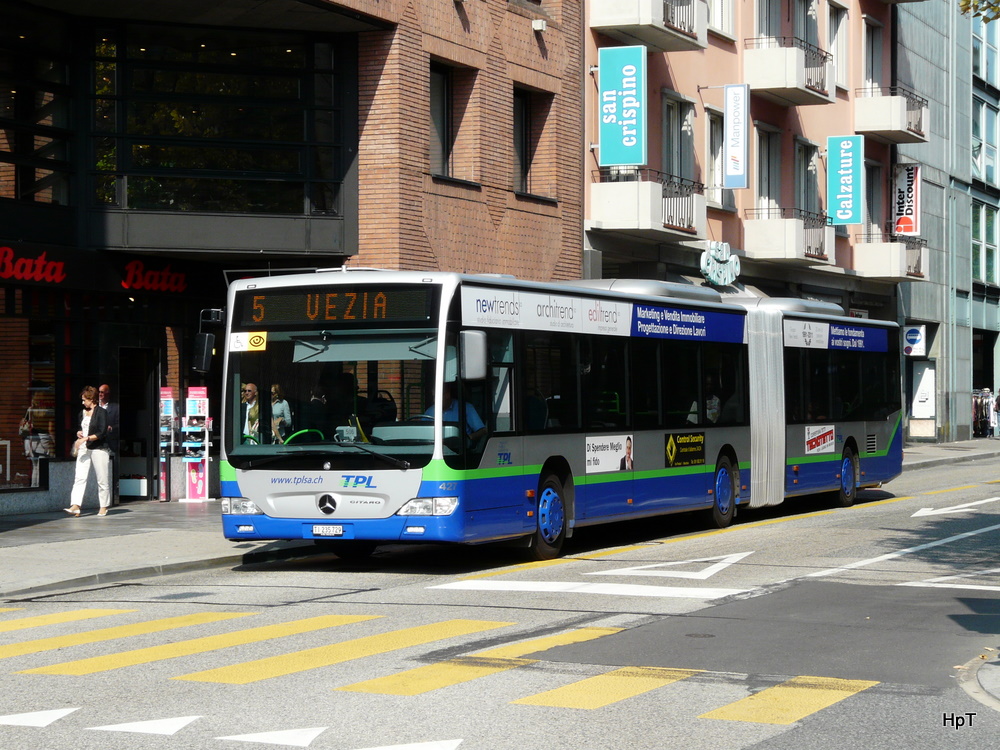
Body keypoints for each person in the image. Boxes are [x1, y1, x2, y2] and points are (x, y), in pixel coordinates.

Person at [65, 386, 111, 517]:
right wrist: (79, 433)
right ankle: (75, 505)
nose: (83, 402)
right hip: (84, 447)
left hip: (98, 448)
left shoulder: (101, 412)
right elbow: (81, 428)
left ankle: (103, 506)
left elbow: (101, 432)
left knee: (102, 478)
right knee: (79, 477)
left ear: (92, 399)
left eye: (84, 400)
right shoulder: (82, 413)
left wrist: (86, 438)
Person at [98, 383, 120, 503]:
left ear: (108, 394)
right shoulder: (94, 407)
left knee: (113, 468)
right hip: (98, 443)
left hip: (111, 442)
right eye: (99, 392)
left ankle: (114, 494)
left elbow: (120, 424)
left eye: (102, 392)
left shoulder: (115, 408)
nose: (100, 394)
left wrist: (112, 428)